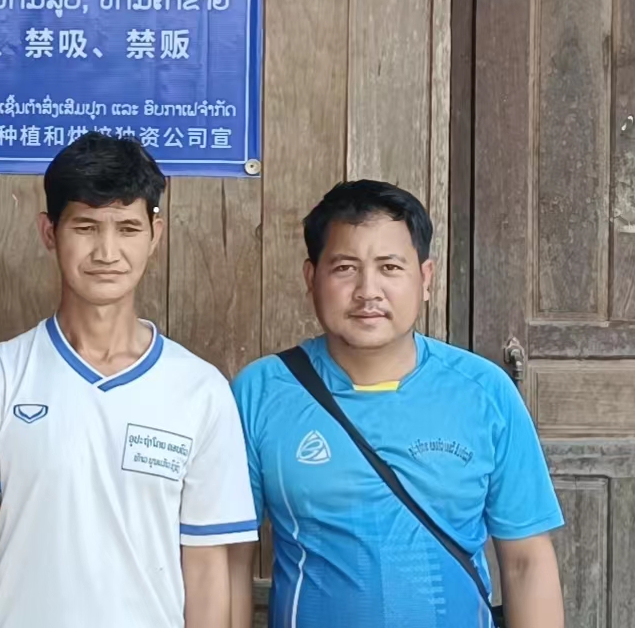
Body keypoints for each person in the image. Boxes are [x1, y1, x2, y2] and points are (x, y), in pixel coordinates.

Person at [0, 133, 258, 628]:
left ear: (155, 234)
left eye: (127, 228)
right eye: (85, 226)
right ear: (49, 232)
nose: (107, 251)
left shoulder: (200, 390)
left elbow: (207, 571)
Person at [228, 180, 565, 628]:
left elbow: (527, 561)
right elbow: (229, 557)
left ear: (425, 279)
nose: (368, 291)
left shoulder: (484, 392)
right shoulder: (262, 392)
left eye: (389, 267)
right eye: (345, 268)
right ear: (311, 278)